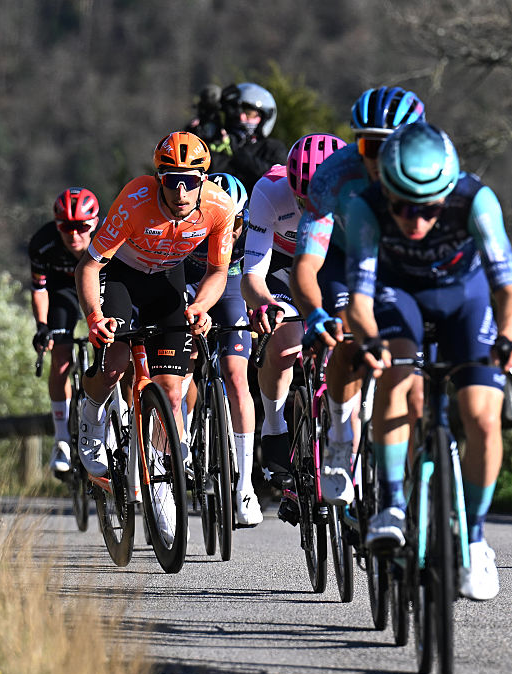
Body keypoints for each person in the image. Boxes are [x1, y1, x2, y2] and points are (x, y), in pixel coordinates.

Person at [339, 121, 512, 601]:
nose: (414, 221)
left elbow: (510, 292)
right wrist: (371, 341)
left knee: (484, 419)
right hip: (396, 295)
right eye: (401, 205)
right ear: (385, 187)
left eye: (427, 209)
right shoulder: (366, 207)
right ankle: (393, 504)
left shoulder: (476, 201)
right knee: (395, 373)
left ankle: (477, 539)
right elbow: (358, 301)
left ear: (448, 194)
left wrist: (507, 339)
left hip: (465, 298)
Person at [74, 131, 235, 543]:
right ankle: (91, 418)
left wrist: (199, 307)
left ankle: (161, 479)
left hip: (167, 277)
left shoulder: (219, 207)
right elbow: (90, 266)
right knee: (114, 365)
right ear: (159, 177)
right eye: (171, 180)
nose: (180, 191)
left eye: (190, 181)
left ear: (204, 179)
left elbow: (218, 273)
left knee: (173, 390)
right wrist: (94, 317)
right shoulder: (135, 201)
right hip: (122, 276)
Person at [290, 86, 428, 508]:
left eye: (391, 148)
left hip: (401, 264)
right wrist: (314, 316)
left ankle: (426, 496)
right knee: (344, 337)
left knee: (419, 389)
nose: (377, 161)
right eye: (369, 145)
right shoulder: (335, 175)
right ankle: (338, 432)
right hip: (343, 260)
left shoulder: (432, 168)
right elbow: (306, 268)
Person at [241, 133, 349, 513]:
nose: (309, 207)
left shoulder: (356, 191)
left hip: (331, 267)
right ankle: (274, 426)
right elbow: (252, 273)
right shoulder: (269, 192)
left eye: (317, 198)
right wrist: (264, 305)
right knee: (285, 344)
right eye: (301, 198)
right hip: (282, 271)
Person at [183, 171, 262, 526]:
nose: (231, 229)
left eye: (238, 222)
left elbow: (256, 277)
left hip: (230, 284)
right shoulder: (189, 228)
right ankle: (180, 438)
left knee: (235, 375)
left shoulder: (248, 237)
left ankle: (245, 484)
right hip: (189, 281)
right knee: (183, 363)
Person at [28, 186, 101, 475]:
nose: (74, 235)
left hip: (98, 287)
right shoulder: (42, 244)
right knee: (60, 360)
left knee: (114, 350)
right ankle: (62, 440)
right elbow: (40, 289)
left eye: (82, 227)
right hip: (63, 294)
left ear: (95, 223)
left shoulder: (110, 236)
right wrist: (42, 327)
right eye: (66, 227)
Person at [208, 82, 288, 191]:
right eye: (236, 112)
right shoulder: (219, 145)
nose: (241, 117)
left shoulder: (272, 148)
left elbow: (274, 178)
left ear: (264, 117)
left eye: (249, 113)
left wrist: (236, 151)